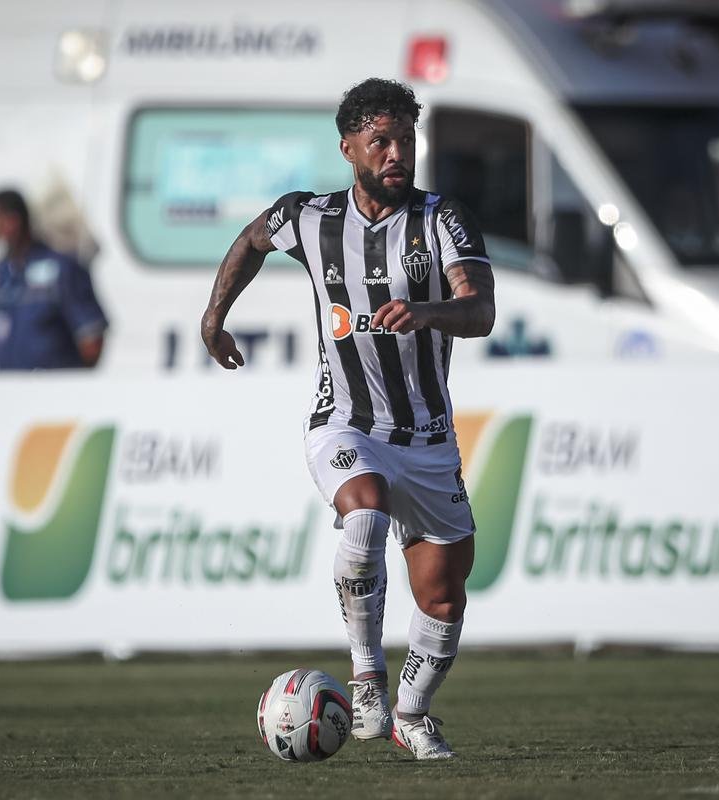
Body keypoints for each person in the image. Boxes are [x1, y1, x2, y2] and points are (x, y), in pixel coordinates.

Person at [201, 78, 495, 760]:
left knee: (444, 599)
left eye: (405, 141)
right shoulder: (308, 216)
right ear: (348, 149)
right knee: (363, 513)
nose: (396, 154)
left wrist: (426, 312)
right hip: (345, 422)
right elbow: (249, 242)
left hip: (426, 439)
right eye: (380, 142)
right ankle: (367, 676)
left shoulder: (440, 219)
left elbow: (478, 310)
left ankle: (411, 714)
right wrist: (214, 318)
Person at [0, 189, 108, 370]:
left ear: (12, 221)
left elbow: (91, 338)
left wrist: (72, 381)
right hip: (9, 387)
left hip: (56, 388)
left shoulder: (62, 269)